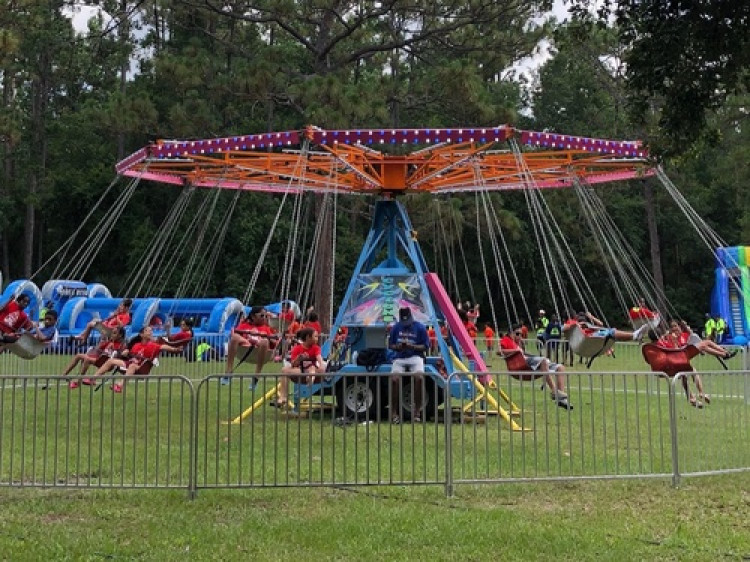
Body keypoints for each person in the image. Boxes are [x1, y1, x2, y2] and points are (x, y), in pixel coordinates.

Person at [498, 325, 573, 410]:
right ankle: (554, 391)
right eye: (517, 334)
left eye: (521, 334)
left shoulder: (516, 342)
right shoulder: (506, 339)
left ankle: (561, 398)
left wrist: (520, 346)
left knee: (560, 367)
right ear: (511, 333)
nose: (520, 336)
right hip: (521, 364)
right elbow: (500, 351)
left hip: (529, 362)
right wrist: (516, 350)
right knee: (543, 361)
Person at [90, 326, 182, 393]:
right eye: (147, 331)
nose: (150, 332)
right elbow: (130, 356)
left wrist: (174, 349)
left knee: (132, 366)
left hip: (141, 368)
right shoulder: (136, 345)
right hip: (130, 363)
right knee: (111, 361)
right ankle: (93, 379)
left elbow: (164, 346)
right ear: (141, 334)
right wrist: (124, 354)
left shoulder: (154, 345)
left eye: (151, 331)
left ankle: (120, 386)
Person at [389, 307, 430, 424]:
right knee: (394, 379)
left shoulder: (420, 327)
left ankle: (417, 412)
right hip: (400, 357)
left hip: (415, 356)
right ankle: (393, 413)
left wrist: (413, 347)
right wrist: (398, 347)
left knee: (419, 378)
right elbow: (390, 345)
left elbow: (426, 346)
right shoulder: (396, 327)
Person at [222, 305, 278, 388]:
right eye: (262, 315)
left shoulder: (266, 328)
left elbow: (275, 343)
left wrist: (272, 338)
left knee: (265, 341)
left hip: (260, 350)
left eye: (266, 316)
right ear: (253, 316)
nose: (264, 318)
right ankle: (228, 371)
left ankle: (256, 376)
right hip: (245, 349)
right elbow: (235, 335)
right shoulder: (244, 325)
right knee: (235, 337)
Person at [275, 327, 324, 408]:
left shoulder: (315, 348)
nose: (317, 339)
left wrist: (321, 365)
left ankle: (310, 378)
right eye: (315, 336)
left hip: (312, 370)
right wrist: (299, 358)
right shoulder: (297, 348)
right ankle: (283, 397)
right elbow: (293, 364)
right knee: (284, 370)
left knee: (312, 368)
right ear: (308, 337)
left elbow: (319, 358)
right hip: (300, 371)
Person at [565, 311, 653, 343]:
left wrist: (591, 317)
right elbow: (564, 328)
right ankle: (634, 335)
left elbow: (600, 324)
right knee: (612, 332)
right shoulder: (573, 323)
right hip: (589, 339)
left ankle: (634, 336)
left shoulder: (587, 326)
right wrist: (576, 324)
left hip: (594, 337)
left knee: (611, 332)